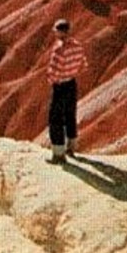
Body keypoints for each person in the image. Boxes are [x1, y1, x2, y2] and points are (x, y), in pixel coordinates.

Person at [45, 18, 88, 163]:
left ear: (59, 32)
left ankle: (58, 154)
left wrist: (52, 81)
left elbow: (54, 71)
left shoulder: (59, 49)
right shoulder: (78, 46)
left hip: (61, 86)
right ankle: (72, 148)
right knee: (70, 115)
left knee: (56, 119)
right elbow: (84, 66)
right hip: (72, 84)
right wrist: (72, 72)